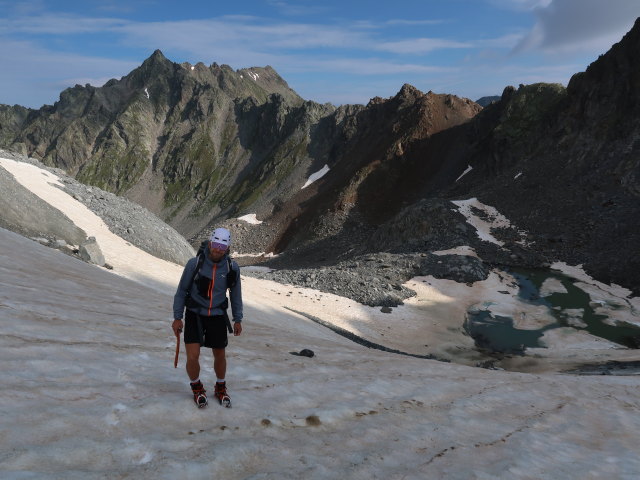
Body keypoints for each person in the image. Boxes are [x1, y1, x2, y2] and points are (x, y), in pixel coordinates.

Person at [172, 227, 243, 408]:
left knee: (220, 354)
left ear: (227, 248)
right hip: (195, 314)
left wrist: (238, 319)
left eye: (222, 246)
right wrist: (177, 317)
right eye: (216, 244)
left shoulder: (231, 268)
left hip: (217, 316)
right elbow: (181, 291)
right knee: (192, 356)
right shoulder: (194, 264)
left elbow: (236, 295)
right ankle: (197, 387)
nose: (218, 249)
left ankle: (220, 387)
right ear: (210, 243)